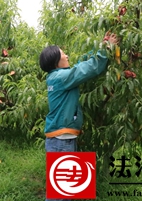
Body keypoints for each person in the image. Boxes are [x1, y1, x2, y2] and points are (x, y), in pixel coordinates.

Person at [39, 32, 117, 201]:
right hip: (61, 139)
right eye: (63, 53)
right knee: (60, 192)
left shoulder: (57, 77)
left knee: (65, 189)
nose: (66, 55)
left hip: (61, 137)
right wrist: (105, 50)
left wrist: (100, 47)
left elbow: (79, 66)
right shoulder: (61, 78)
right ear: (57, 62)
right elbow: (86, 69)